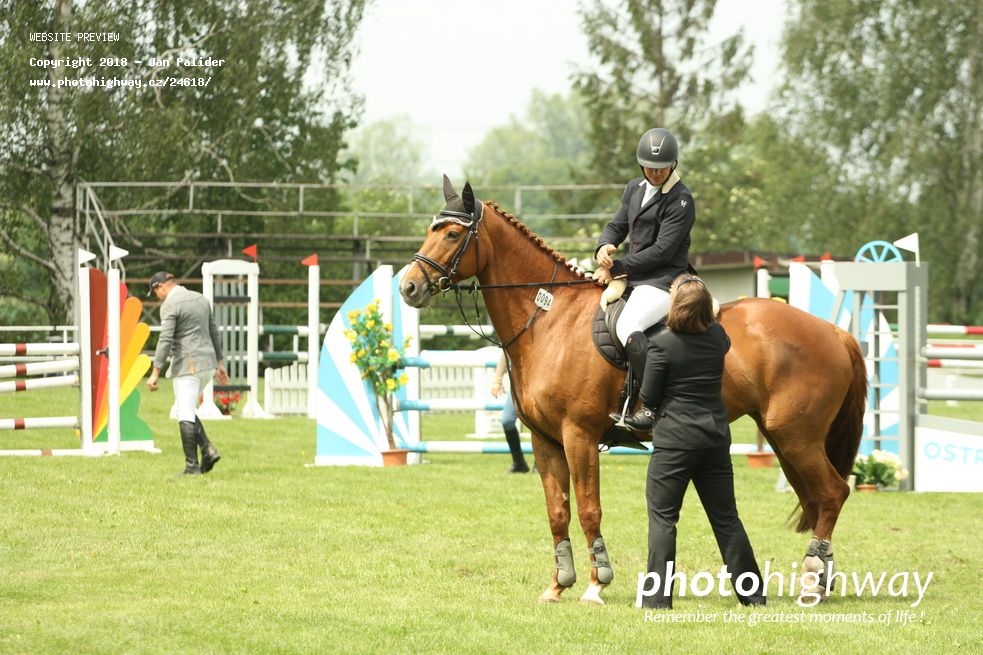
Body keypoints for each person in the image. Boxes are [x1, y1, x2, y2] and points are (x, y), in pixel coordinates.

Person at [635, 274, 765, 609]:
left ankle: (657, 600)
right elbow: (718, 336)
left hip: (674, 442)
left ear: (676, 305)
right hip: (714, 438)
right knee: (726, 518)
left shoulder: (661, 343)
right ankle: (753, 596)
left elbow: (649, 397)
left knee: (663, 519)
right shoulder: (718, 336)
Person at [593, 127, 695, 423]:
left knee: (628, 325)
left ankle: (653, 406)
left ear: (673, 165)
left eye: (661, 167)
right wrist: (604, 246)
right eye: (649, 167)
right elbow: (617, 226)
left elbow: (662, 251)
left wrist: (616, 268)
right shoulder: (634, 188)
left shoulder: (681, 200)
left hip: (664, 281)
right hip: (635, 277)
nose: (655, 173)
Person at [145, 271, 228, 476]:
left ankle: (192, 466)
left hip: (188, 365)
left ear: (160, 287)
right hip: (208, 365)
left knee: (184, 412)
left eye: (155, 292)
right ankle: (208, 450)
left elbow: (165, 339)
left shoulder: (170, 305)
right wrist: (220, 364)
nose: (157, 297)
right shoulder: (201, 299)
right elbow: (213, 332)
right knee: (184, 408)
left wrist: (155, 372)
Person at [490, 353, 530, 474]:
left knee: (539, 423)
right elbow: (505, 354)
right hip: (518, 385)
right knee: (507, 420)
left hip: (539, 383)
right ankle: (519, 463)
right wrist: (497, 380)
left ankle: (540, 464)